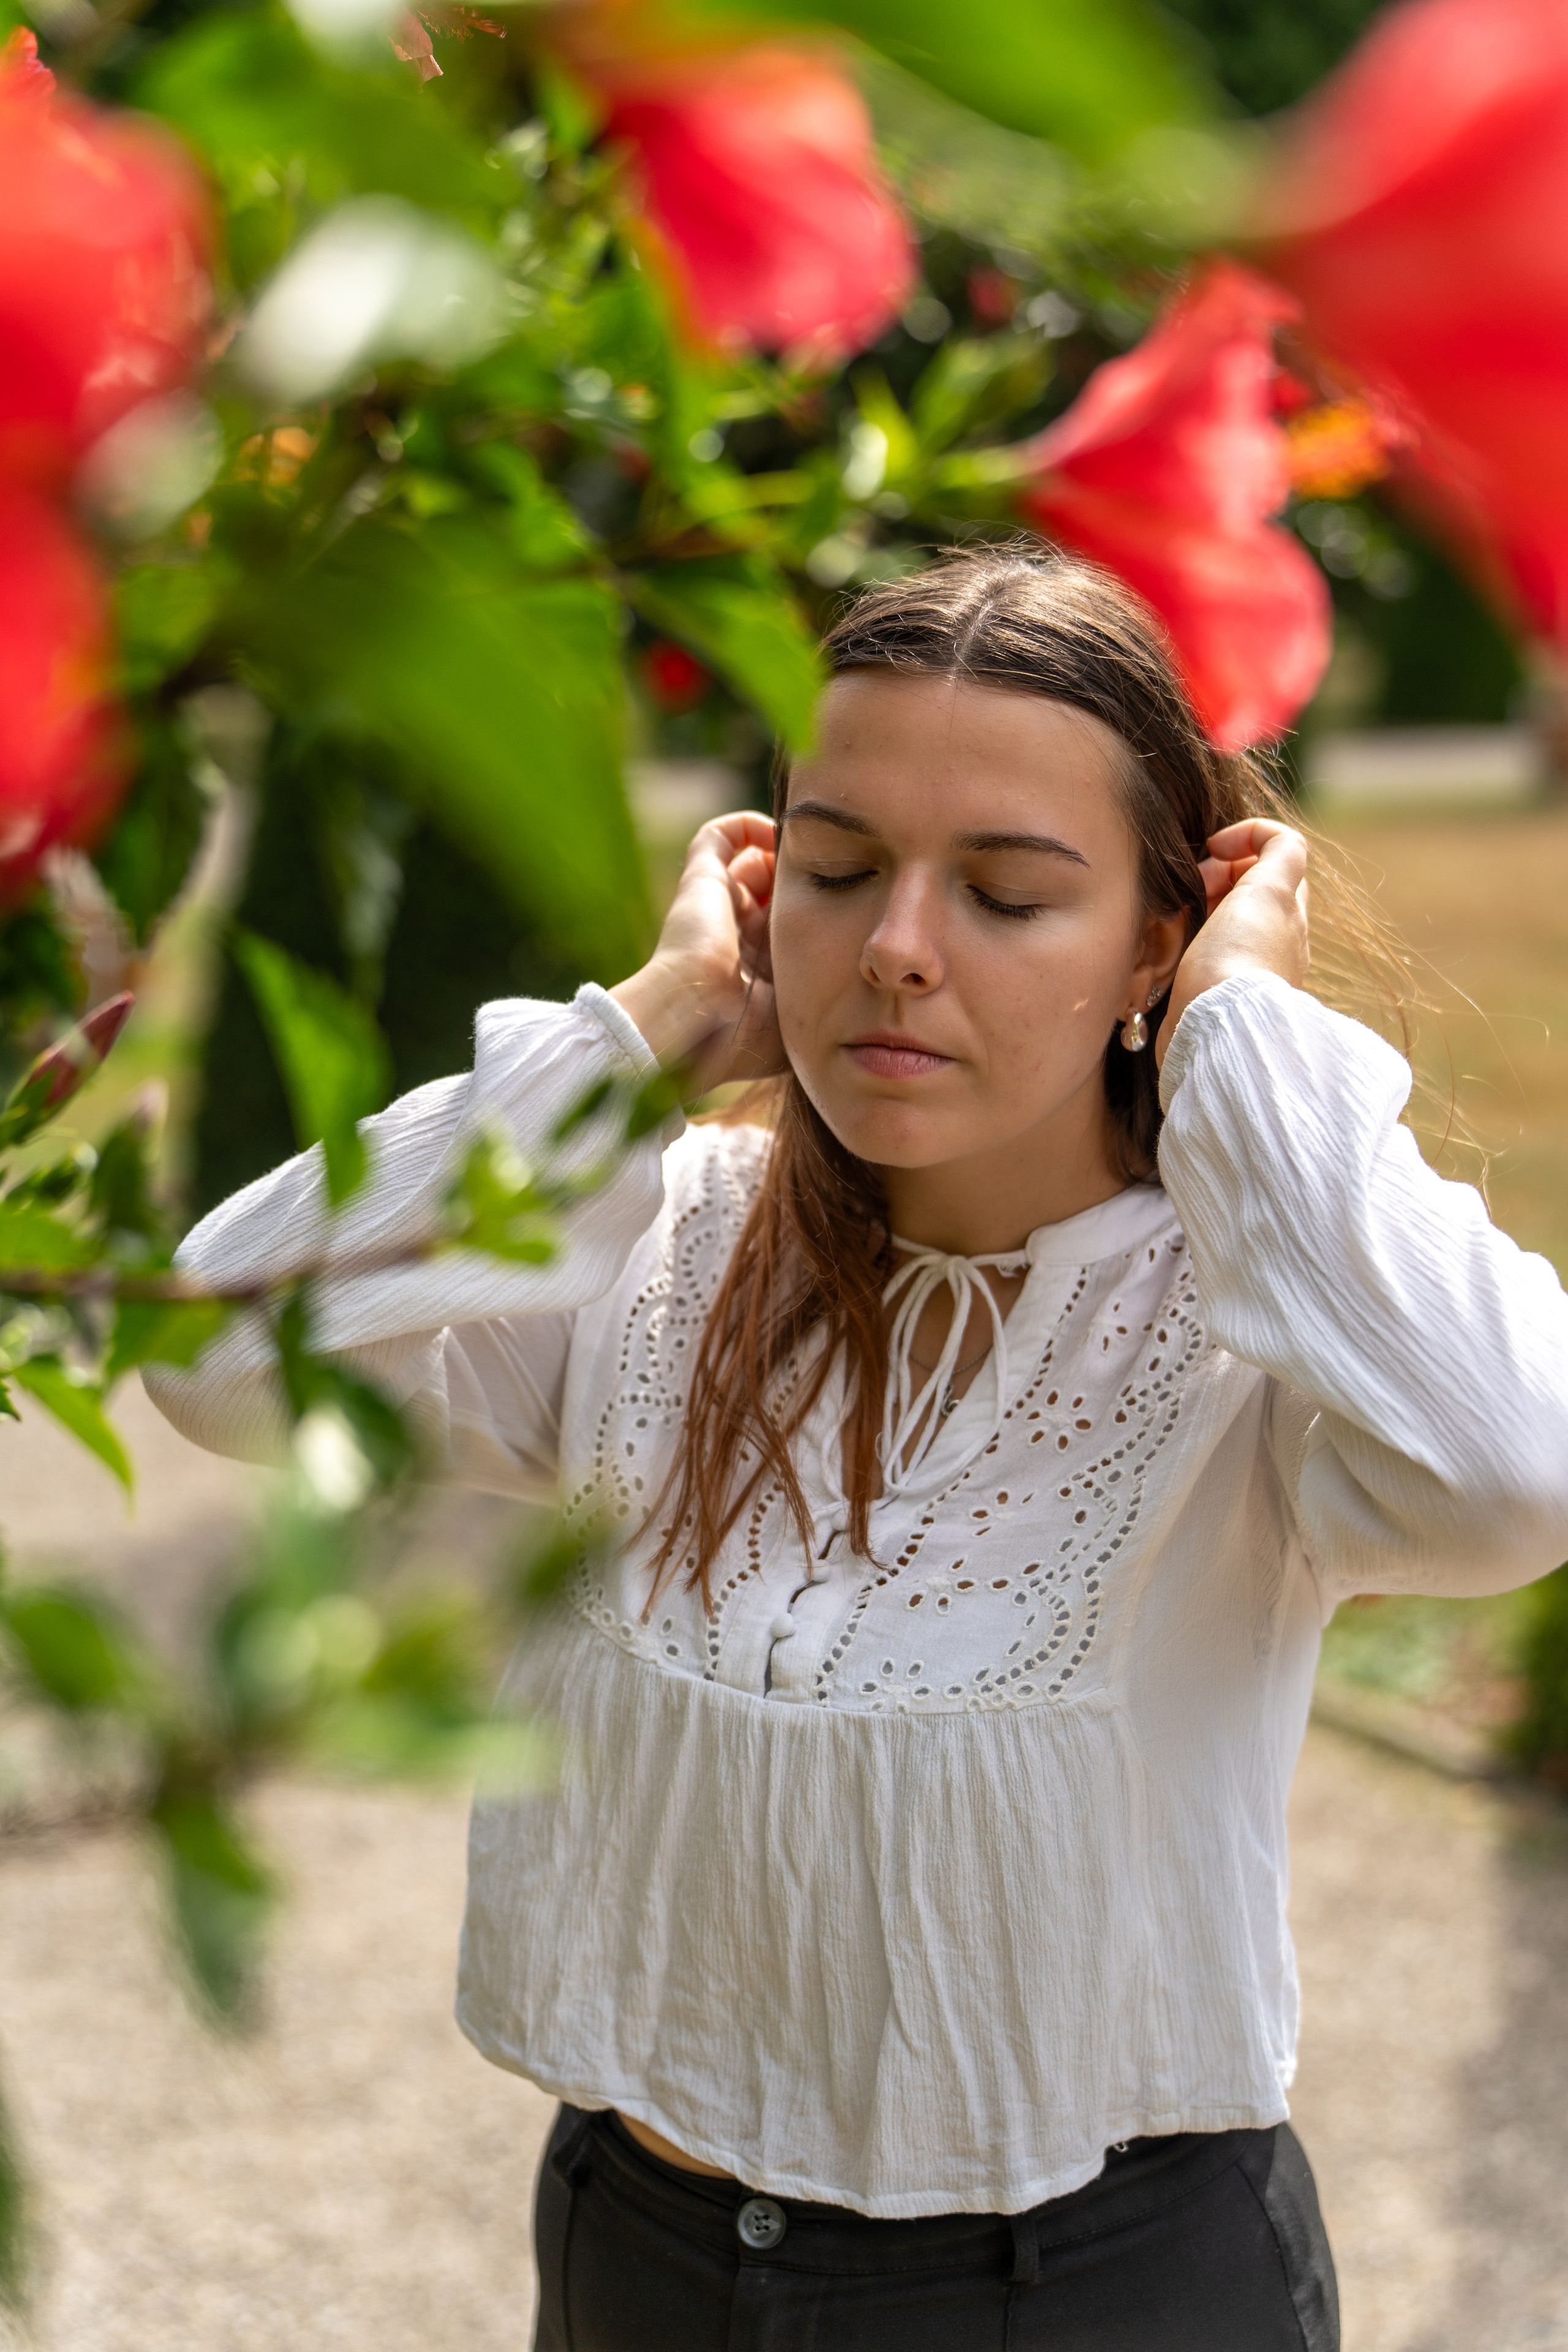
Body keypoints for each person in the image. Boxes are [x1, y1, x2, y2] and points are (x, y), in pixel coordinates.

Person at [148, 552, 1568, 2350]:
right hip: (634, 2261)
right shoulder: (660, 1254)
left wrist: (1246, 1043)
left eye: (1004, 892)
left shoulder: (1251, 1336)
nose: (895, 946)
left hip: (1091, 2300)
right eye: (834, 870)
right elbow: (210, 1339)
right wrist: (645, 1034)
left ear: (1154, 939)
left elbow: (1526, 1464)